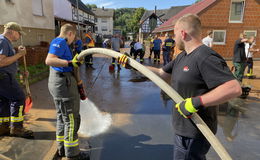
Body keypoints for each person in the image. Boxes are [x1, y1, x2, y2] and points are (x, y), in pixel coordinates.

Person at [119, 14, 242, 160]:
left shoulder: (205, 56)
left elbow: (233, 87)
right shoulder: (183, 56)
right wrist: (133, 65)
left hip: (195, 131)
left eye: (175, 34)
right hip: (184, 129)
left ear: (183, 33)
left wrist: (197, 102)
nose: (174, 38)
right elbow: (161, 73)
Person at [45, 24, 89, 160]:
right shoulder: (60, 42)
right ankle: (73, 155)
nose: (74, 39)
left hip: (58, 83)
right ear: (70, 33)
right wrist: (70, 63)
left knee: (62, 117)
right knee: (71, 119)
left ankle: (62, 149)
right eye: (74, 36)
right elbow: (49, 60)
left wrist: (79, 83)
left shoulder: (58, 42)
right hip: (64, 85)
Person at [0, 22, 34, 138]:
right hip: (3, 77)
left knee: (4, 101)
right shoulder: (3, 41)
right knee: (18, 98)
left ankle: (3, 127)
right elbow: (1, 62)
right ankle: (17, 128)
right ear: (13, 31)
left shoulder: (5, 42)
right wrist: (20, 54)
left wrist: (20, 72)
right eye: (19, 34)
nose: (20, 36)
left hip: (4, 77)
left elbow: (9, 62)